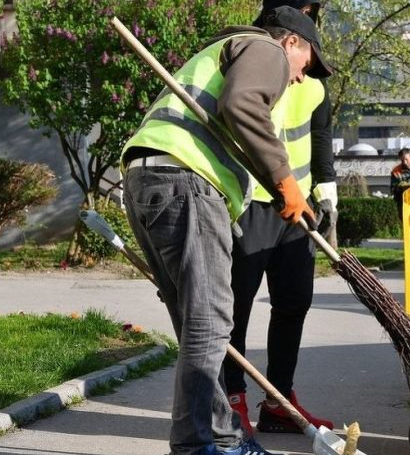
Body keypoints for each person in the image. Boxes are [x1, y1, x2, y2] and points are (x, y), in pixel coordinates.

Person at [120, 7, 332, 455]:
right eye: (306, 65)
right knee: (212, 320)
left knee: (199, 324)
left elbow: (232, 114)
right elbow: (242, 104)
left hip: (149, 181)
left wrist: (279, 192)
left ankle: (222, 437)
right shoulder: (265, 49)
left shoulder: (224, 50)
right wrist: (286, 180)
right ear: (291, 41)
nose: (300, 78)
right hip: (187, 184)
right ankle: (199, 446)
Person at [220, 0, 335, 437]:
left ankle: (279, 400)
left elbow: (320, 140)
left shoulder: (313, 79)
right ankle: (233, 402)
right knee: (235, 307)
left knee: (293, 303)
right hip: (247, 201)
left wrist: (327, 196)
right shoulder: (253, 52)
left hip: (295, 207)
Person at [390, 148, 410, 220]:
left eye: (406, 159)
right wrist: (402, 187)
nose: (404, 162)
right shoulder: (396, 171)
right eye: (402, 160)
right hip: (404, 203)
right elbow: (393, 190)